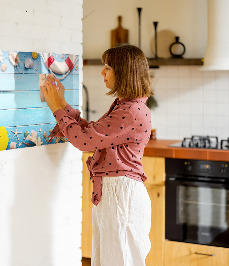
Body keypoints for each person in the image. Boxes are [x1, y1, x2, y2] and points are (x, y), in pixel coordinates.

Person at [41, 44, 153, 266]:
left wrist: (56, 108)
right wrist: (62, 104)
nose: (102, 72)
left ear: (124, 72)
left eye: (108, 67)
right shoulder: (126, 106)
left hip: (121, 196)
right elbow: (92, 133)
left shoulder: (130, 111)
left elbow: (84, 141)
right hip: (116, 193)